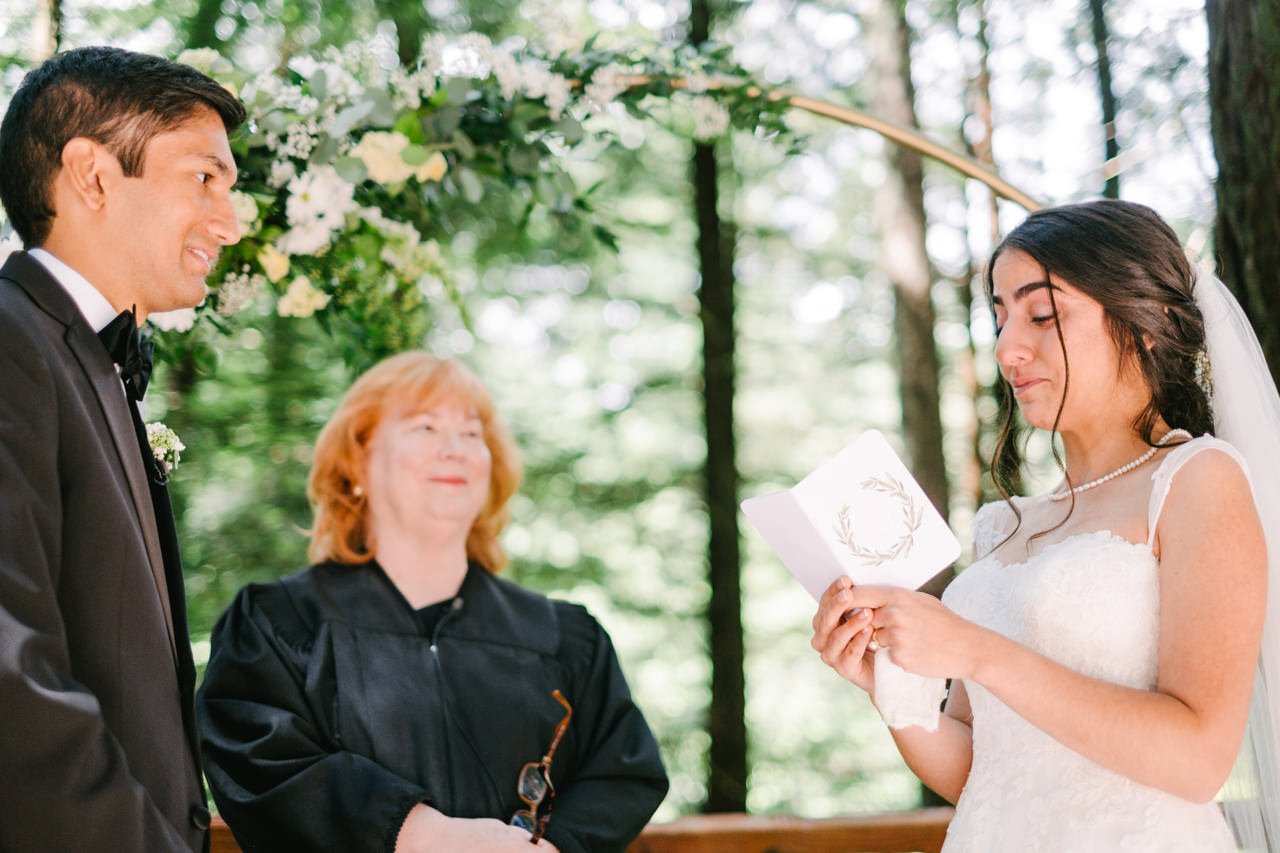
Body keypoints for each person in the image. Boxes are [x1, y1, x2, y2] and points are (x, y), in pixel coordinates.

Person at [811, 199, 1279, 850]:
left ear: (1144, 322)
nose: (1007, 349)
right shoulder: (1003, 526)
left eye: (1042, 314)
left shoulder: (1197, 479)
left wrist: (977, 652)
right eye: (999, 317)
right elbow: (984, 771)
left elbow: (1200, 760)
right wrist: (886, 683)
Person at [197, 352, 669, 852]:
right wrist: (420, 834)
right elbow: (260, 762)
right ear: (356, 463)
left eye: (471, 434)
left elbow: (622, 772)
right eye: (425, 428)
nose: (455, 449)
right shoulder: (280, 624)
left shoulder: (564, 637)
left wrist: (554, 849)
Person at [0, 47, 244, 850]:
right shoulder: (10, 342)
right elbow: (11, 673)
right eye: (204, 180)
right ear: (93, 175)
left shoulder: (87, 359)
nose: (229, 222)